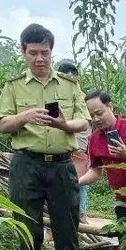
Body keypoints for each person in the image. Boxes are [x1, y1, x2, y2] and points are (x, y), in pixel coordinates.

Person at [0, 24, 90, 250]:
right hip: (27, 164)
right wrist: (25, 116)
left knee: (67, 226)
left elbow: (84, 121)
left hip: (61, 165)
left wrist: (63, 124)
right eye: (34, 52)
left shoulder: (69, 85)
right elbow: (3, 124)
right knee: (27, 225)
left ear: (52, 52)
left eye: (45, 53)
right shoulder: (14, 87)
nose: (40, 58)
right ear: (23, 52)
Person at [78, 90, 126, 220]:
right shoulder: (94, 138)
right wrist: (77, 182)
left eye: (99, 113)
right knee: (125, 239)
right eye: (91, 116)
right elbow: (96, 171)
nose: (96, 119)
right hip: (122, 201)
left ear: (110, 107)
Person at [56, 58, 91, 223]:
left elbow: (86, 124)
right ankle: (77, 215)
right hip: (63, 149)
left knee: (80, 182)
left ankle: (81, 214)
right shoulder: (54, 96)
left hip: (79, 147)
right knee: (65, 185)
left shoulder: (82, 99)